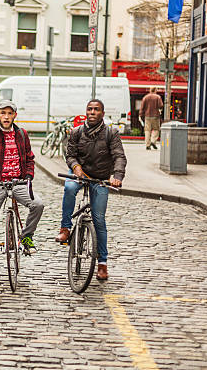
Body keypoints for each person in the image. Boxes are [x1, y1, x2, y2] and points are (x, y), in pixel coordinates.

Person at [55, 99, 127, 281]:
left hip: (101, 178)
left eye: (96, 109)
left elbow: (119, 156)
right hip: (80, 173)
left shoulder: (111, 133)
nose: (92, 112)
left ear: (102, 113)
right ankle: (65, 227)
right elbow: (70, 154)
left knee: (99, 220)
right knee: (69, 188)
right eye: (90, 109)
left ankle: (102, 263)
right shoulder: (76, 132)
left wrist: (117, 176)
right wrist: (77, 169)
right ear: (86, 111)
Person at [0, 100, 44, 282]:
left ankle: (26, 237)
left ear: (14, 115)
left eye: (9, 113)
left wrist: (28, 176)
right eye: (3, 113)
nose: (6, 116)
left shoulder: (22, 134)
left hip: (18, 182)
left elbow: (29, 158)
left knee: (38, 204)